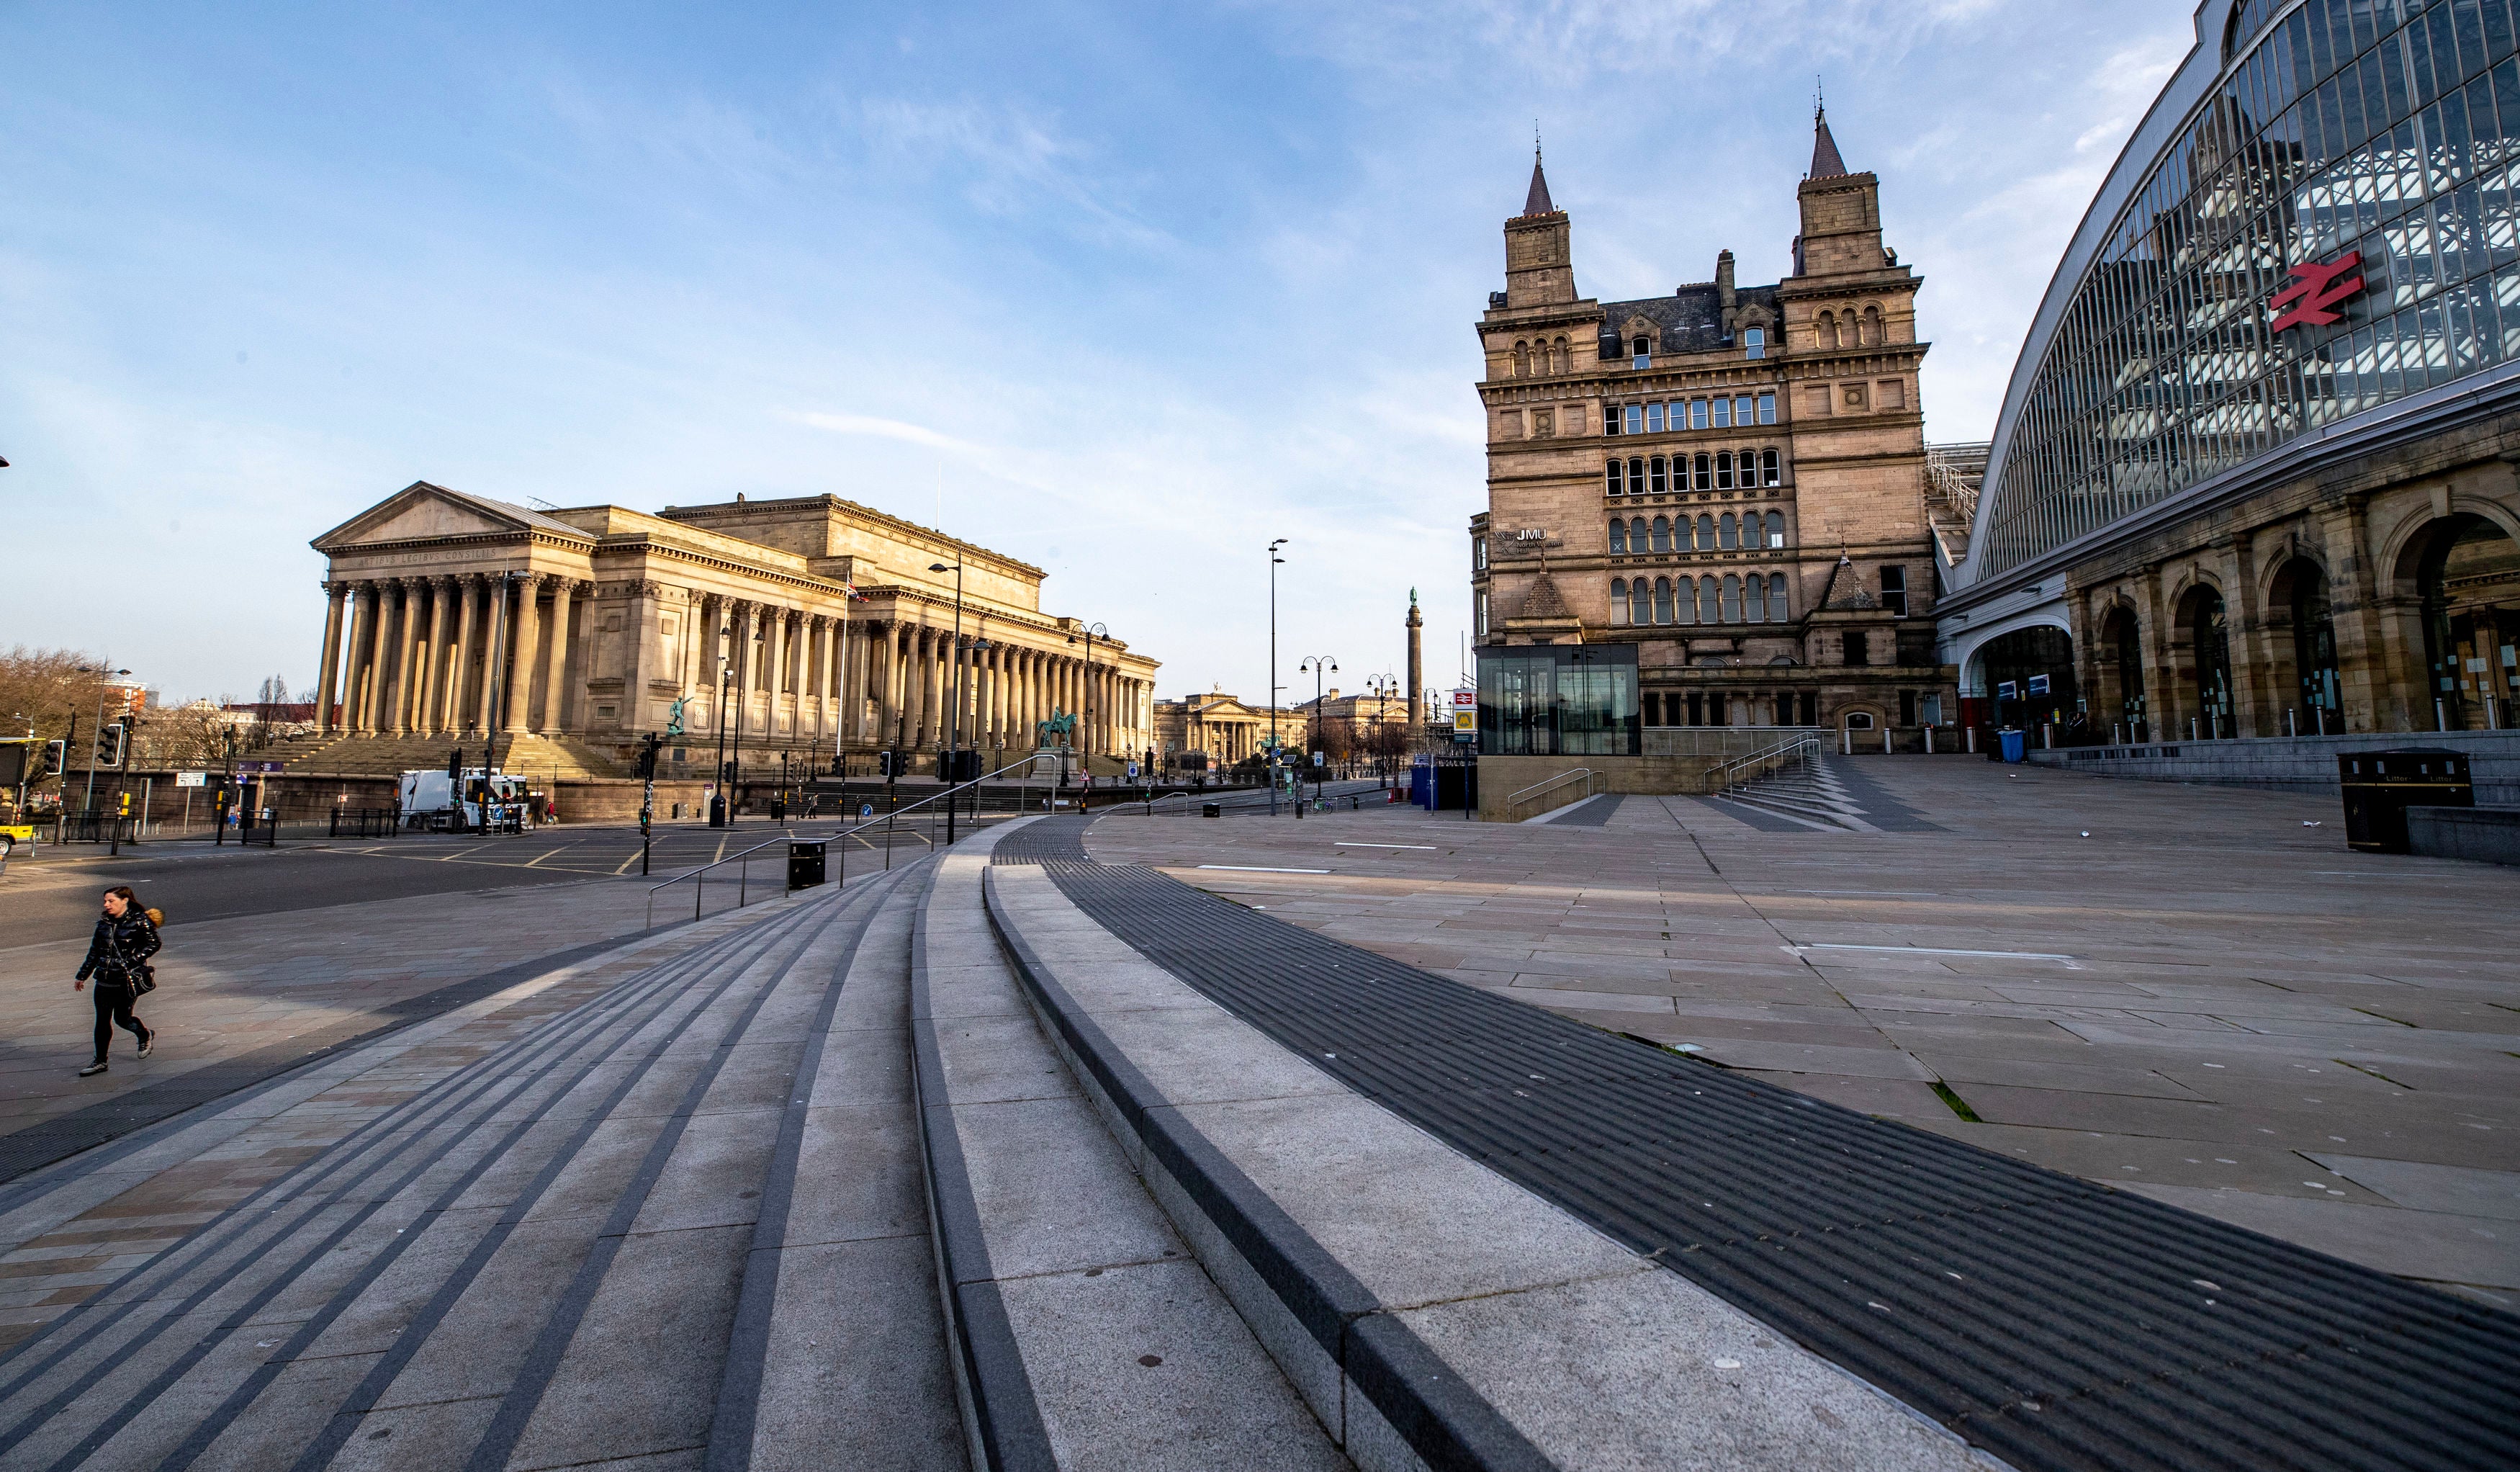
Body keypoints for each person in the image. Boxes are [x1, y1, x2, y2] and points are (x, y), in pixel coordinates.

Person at [74, 886, 159, 1077]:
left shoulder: (140, 921)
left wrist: (133, 959)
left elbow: (154, 943)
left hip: (125, 981)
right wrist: (82, 975)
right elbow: (95, 952)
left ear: (125, 900)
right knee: (102, 1021)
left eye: (111, 901)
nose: (107, 905)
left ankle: (144, 1034)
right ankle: (100, 1061)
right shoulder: (104, 923)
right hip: (104, 979)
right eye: (105, 901)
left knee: (122, 1019)